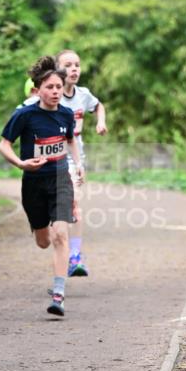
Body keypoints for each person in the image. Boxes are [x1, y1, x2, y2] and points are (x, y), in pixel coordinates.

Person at [0, 55, 82, 317]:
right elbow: (4, 145)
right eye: (50, 87)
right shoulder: (24, 115)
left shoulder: (67, 115)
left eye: (59, 87)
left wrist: (77, 166)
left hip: (60, 179)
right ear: (38, 90)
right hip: (33, 182)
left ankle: (58, 294)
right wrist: (21, 164)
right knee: (43, 241)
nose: (56, 92)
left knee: (61, 235)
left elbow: (70, 141)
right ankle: (38, 225)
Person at [56, 49, 107, 277]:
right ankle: (64, 249)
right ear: (58, 69)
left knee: (75, 204)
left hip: (76, 158)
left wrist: (100, 123)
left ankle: (75, 255)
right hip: (53, 158)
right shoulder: (52, 95)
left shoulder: (83, 94)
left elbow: (98, 106)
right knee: (61, 210)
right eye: (68, 65)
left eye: (77, 64)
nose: (74, 69)